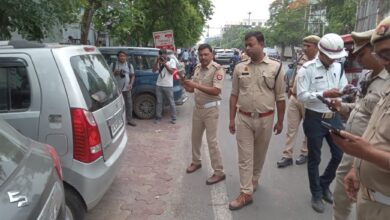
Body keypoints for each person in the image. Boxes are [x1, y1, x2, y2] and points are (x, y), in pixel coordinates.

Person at [331, 16, 390, 220]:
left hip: (382, 197)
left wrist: (367, 153)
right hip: (362, 161)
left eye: (387, 53)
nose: (384, 61)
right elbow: (365, 112)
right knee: (343, 195)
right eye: (380, 54)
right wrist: (341, 106)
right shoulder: (376, 81)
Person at [229, 31, 286, 210]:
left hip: (266, 119)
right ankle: (246, 192)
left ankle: (254, 179)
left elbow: (281, 97)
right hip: (243, 118)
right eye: (246, 45)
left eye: (251, 44)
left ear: (261, 44)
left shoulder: (276, 67)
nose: (247, 48)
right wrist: (231, 119)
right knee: (245, 157)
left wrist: (280, 121)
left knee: (259, 154)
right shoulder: (239, 67)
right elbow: (233, 95)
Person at [296, 33, 348, 213]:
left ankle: (324, 183)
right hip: (314, 118)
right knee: (314, 158)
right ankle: (316, 194)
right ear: (321, 52)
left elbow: (342, 87)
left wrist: (344, 92)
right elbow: (301, 95)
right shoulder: (307, 69)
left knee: (339, 154)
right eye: (330, 57)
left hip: (333, 116)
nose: (333, 60)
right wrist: (324, 94)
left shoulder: (338, 67)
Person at [182, 44, 226, 185]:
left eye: (206, 54)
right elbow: (192, 90)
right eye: (201, 55)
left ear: (212, 54)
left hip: (211, 110)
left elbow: (216, 90)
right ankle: (196, 161)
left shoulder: (217, 69)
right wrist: (185, 84)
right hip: (198, 109)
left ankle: (219, 172)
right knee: (195, 138)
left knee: (212, 141)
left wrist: (195, 85)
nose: (203, 57)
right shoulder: (197, 68)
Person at [277, 35, 320, 168]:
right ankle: (287, 155)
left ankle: (305, 153)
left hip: (308, 101)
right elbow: (295, 71)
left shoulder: (320, 63)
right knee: (291, 128)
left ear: (317, 47)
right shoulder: (302, 57)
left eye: (308, 46)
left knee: (308, 129)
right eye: (304, 45)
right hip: (294, 97)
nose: (305, 48)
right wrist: (290, 87)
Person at [110, 51, 136, 126]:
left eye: (124, 56)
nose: (122, 57)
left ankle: (129, 120)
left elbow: (133, 75)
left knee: (129, 104)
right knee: (116, 105)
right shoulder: (113, 64)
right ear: (117, 57)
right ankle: (116, 120)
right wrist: (114, 73)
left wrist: (131, 84)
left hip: (127, 88)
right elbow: (108, 75)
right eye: (121, 56)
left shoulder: (129, 65)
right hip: (116, 89)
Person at [152, 49, 177, 124]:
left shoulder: (172, 61)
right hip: (159, 84)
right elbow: (153, 70)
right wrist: (156, 61)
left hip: (168, 85)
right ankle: (158, 117)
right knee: (159, 102)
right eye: (160, 54)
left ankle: (174, 118)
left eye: (163, 54)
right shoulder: (158, 61)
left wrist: (165, 63)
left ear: (166, 54)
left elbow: (172, 72)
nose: (162, 56)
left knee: (171, 102)